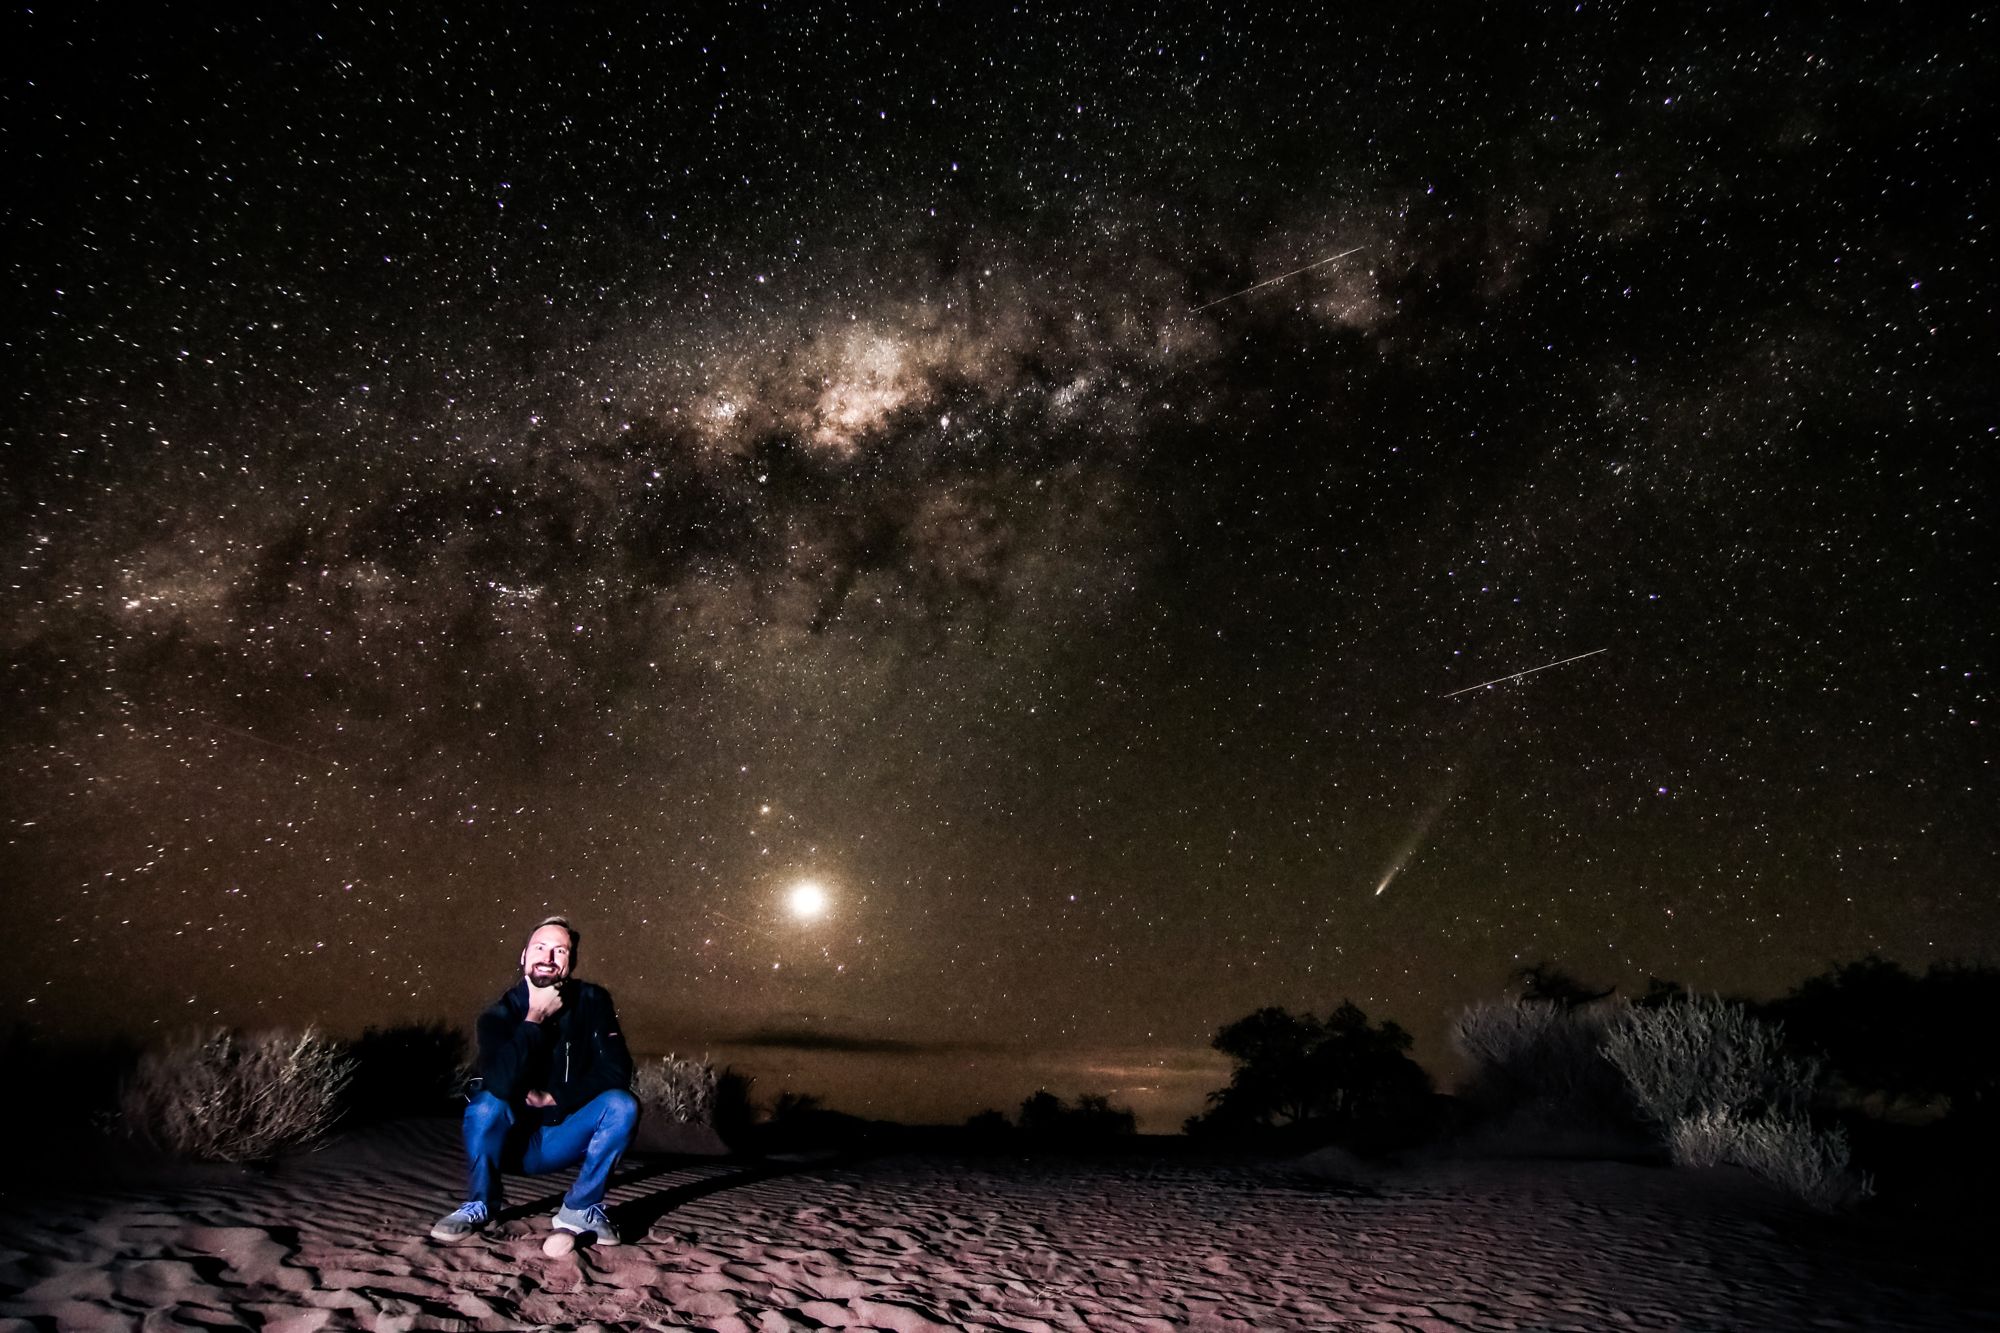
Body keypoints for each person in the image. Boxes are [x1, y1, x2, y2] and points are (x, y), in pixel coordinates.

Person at [430, 916, 639, 1245]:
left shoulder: (592, 1001)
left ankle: (580, 1208)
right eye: (540, 948)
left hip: (563, 1136)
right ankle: (481, 1202)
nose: (549, 957)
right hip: (513, 1143)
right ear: (524, 956)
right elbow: (498, 1083)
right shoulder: (497, 1015)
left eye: (560, 951)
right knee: (485, 1105)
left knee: (621, 1106)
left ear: (571, 963)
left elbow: (617, 1071)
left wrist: (555, 1096)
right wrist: (534, 1018)